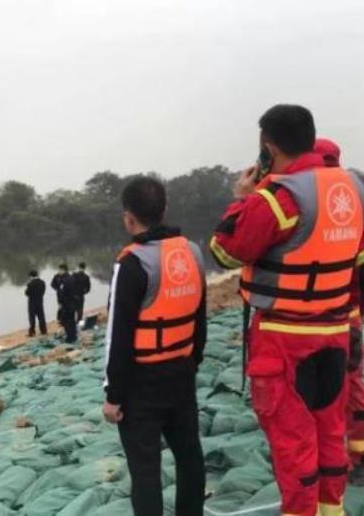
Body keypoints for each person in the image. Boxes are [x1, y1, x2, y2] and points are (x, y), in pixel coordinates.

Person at [209, 105, 364, 516]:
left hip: (284, 341)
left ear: (268, 146)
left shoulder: (278, 198)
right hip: (335, 331)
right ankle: (332, 509)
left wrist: (241, 199)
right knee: (329, 433)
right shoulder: (352, 189)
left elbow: (225, 252)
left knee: (294, 449)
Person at [104, 177, 207, 516]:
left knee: (145, 469)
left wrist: (113, 395)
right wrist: (191, 363)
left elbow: (118, 335)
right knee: (190, 456)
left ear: (128, 217)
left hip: (140, 383)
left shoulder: (132, 263)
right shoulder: (192, 251)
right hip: (181, 372)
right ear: (164, 210)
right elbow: (199, 317)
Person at [315, 138, 364, 486]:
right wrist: (361, 309)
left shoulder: (302, 198)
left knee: (316, 390)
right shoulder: (359, 198)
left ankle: (326, 464)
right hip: (349, 311)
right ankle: (362, 458)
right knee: (352, 383)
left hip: (312, 317)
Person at [57, 271, 78, 343]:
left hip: (66, 305)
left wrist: (60, 303)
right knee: (72, 321)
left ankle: (69, 338)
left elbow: (62, 294)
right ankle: (74, 336)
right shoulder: (73, 279)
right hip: (73, 304)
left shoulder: (64, 281)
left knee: (67, 322)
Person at [25, 270, 47, 337]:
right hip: (40, 301)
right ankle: (43, 330)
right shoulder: (42, 282)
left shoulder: (30, 284)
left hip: (32, 302)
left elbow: (27, 293)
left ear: (31, 276)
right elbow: (43, 291)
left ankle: (32, 332)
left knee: (32, 317)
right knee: (41, 316)